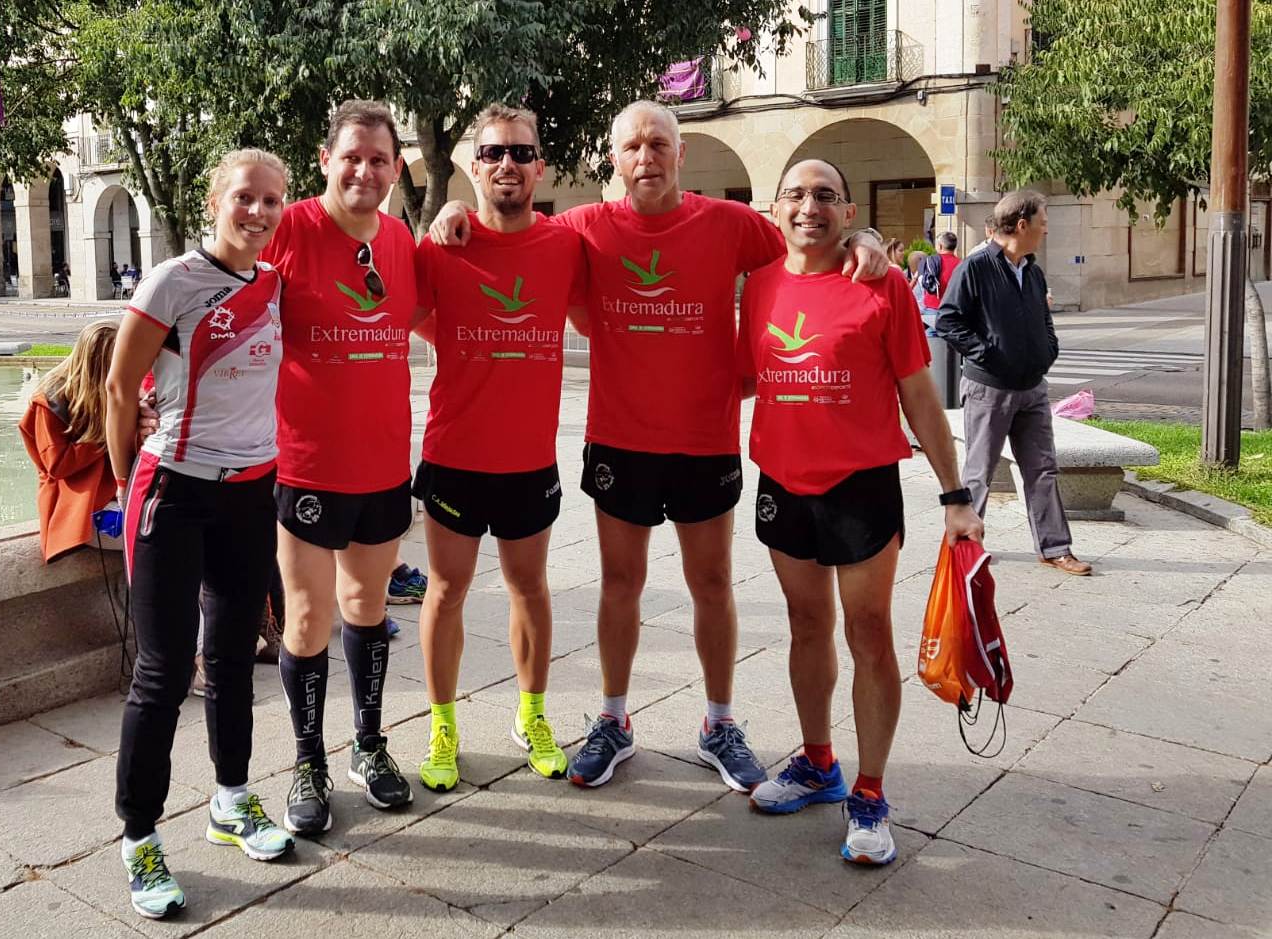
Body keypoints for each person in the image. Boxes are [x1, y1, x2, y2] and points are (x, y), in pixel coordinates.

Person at [429, 100, 889, 792]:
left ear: (680, 155)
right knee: (621, 584)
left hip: (705, 439)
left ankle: (719, 721)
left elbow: (807, 251)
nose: (645, 157)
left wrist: (866, 240)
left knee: (712, 584)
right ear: (612, 160)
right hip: (620, 439)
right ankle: (613, 718)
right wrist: (448, 214)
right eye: (631, 146)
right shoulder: (582, 227)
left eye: (658, 144)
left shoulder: (731, 224)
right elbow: (513, 241)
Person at [739, 158, 985, 866]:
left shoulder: (881, 285)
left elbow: (917, 394)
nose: (809, 205)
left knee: (869, 631)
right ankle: (819, 762)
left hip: (861, 485)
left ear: (848, 213)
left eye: (826, 195)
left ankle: (870, 792)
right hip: (783, 481)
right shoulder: (757, 288)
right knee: (805, 623)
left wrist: (955, 494)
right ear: (774, 208)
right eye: (795, 194)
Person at [103, 147, 295, 918]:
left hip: (253, 492)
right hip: (173, 493)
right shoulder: (172, 281)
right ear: (215, 201)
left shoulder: (276, 284)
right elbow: (120, 385)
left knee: (233, 659)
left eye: (272, 201)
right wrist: (125, 482)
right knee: (162, 671)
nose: (258, 212)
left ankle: (231, 799)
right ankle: (140, 837)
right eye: (245, 197)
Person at [412, 104, 589, 792]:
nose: (507, 165)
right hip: (455, 454)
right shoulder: (441, 245)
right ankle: (442, 726)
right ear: (472, 165)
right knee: (448, 589)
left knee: (529, 588)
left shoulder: (565, 244)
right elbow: (406, 314)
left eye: (521, 152)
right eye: (492, 153)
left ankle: (533, 715)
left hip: (528, 461)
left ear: (540, 166)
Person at [261, 100, 419, 835]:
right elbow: (220, 302)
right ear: (325, 160)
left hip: (385, 463)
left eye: (379, 159)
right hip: (308, 463)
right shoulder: (289, 227)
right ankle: (308, 761)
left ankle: (368, 744)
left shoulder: (400, 239)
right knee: (305, 617)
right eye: (351, 156)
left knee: (368, 609)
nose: (364, 169)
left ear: (395, 169)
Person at [935, 190, 1092, 576]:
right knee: (979, 471)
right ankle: (967, 548)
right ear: (1021, 225)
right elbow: (948, 321)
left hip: (1032, 388)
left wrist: (1047, 351)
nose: (1045, 231)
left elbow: (1044, 321)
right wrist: (990, 354)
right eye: (1042, 223)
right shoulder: (975, 268)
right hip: (989, 387)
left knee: (1042, 468)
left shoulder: (1033, 271)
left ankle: (1055, 547)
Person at [18, 320, 120, 563]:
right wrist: (107, 434)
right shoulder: (50, 401)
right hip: (82, 509)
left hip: (113, 500)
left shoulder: (113, 393)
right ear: (99, 364)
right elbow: (57, 465)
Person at [920, 232, 962, 316]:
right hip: (955, 308)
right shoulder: (962, 263)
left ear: (940, 246)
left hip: (933, 306)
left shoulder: (932, 261)